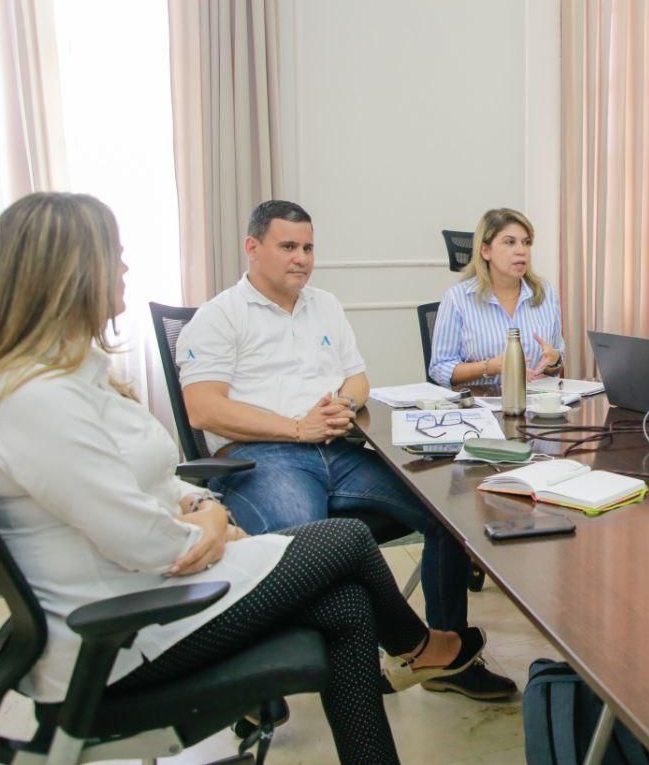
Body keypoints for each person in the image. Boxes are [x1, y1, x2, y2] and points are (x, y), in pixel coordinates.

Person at [0, 193, 482, 764]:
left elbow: (158, 478)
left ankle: (412, 673)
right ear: (73, 271)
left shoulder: (78, 376)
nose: (123, 268)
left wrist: (199, 501)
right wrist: (218, 521)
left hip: (163, 589)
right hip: (128, 634)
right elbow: (148, 542)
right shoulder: (38, 400)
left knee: (350, 604)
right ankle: (421, 646)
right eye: (114, 256)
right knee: (343, 541)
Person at [176, 200, 514, 700]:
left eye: (308, 247)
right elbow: (203, 409)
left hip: (339, 450)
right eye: (288, 246)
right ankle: (371, 657)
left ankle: (449, 662)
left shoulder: (325, 305)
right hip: (265, 456)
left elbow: (357, 377)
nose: (302, 258)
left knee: (447, 510)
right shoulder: (219, 316)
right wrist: (296, 428)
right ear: (253, 248)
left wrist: (344, 403)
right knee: (318, 549)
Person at [429, 208, 564, 387]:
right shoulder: (457, 299)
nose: (521, 251)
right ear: (486, 251)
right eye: (510, 242)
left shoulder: (546, 294)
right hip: (481, 407)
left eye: (526, 243)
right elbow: (440, 368)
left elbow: (555, 365)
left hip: (536, 404)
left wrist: (554, 361)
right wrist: (489, 367)